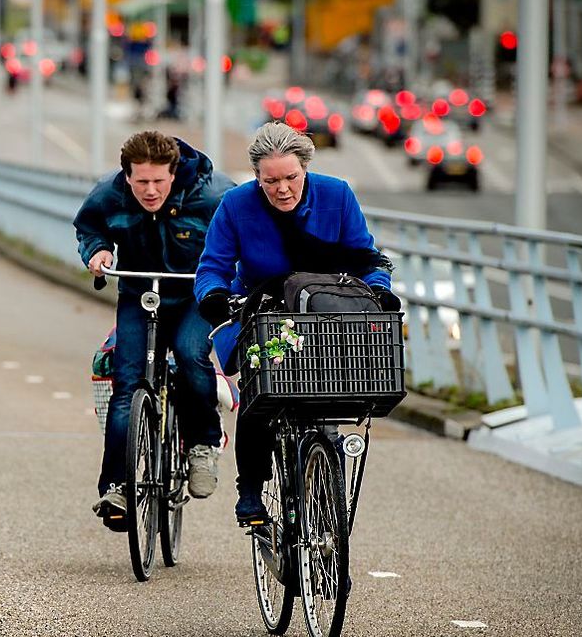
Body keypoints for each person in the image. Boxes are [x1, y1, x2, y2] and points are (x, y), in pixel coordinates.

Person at [194, 121, 398, 526]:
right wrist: (215, 297)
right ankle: (250, 490)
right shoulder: (236, 205)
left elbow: (365, 258)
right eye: (270, 181)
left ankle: (328, 501)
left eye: (291, 177)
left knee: (328, 402)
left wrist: (379, 291)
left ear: (306, 168)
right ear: (257, 177)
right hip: (262, 310)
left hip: (325, 312)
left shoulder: (336, 195)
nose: (282, 188)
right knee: (259, 400)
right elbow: (212, 267)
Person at [74, 131, 236, 530]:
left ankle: (203, 442)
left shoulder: (214, 194)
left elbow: (240, 238)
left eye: (158, 181)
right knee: (126, 384)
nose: (150, 191)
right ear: (126, 175)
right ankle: (117, 486)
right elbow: (90, 227)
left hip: (197, 295)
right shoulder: (109, 193)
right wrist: (97, 251)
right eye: (140, 181)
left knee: (187, 352)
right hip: (139, 293)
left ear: (174, 172)